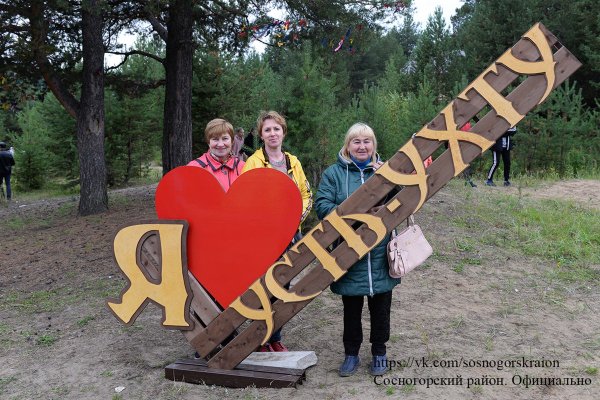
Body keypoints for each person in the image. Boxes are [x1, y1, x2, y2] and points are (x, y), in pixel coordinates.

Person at [315, 122, 400, 377]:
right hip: (347, 253)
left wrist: (391, 179)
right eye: (356, 142)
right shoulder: (334, 174)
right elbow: (322, 206)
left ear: (374, 145)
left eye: (367, 142)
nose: (362, 147)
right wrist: (357, 216)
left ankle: (379, 353)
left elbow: (403, 203)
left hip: (380, 253)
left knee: (381, 306)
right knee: (351, 308)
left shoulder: (386, 172)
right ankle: (351, 354)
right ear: (347, 145)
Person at [242, 110, 313, 352]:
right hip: (263, 237)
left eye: (276, 129)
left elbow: (306, 195)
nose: (273, 133)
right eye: (267, 130)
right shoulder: (253, 162)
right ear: (261, 135)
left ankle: (276, 337)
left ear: (283, 132)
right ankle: (259, 338)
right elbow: (246, 198)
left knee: (283, 286)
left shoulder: (293, 162)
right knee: (262, 286)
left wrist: (295, 219)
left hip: (291, 234)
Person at [187, 118, 245, 191]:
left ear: (232, 141)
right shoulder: (194, 168)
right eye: (215, 139)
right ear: (208, 142)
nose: (220, 144)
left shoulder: (243, 167)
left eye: (225, 138)